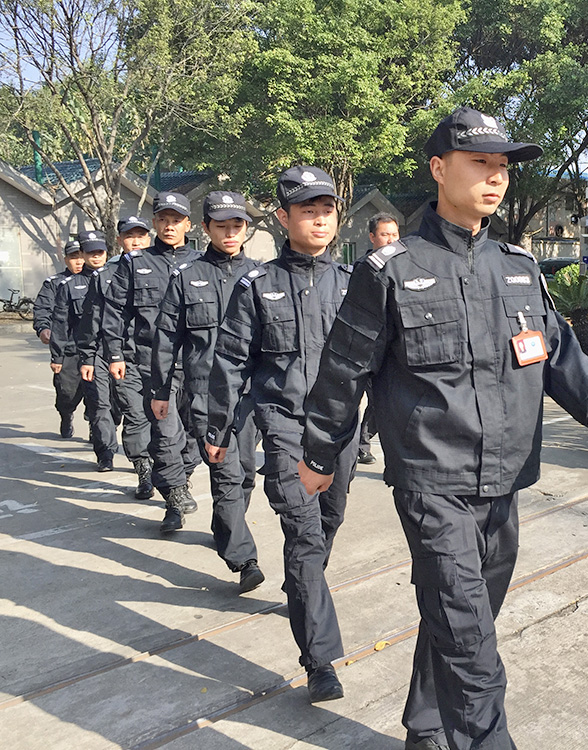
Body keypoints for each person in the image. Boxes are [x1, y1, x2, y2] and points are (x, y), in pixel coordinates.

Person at [298, 107, 588, 750]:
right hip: (432, 480)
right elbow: (344, 367)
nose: (495, 178)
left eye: (502, 167)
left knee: (463, 615)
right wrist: (319, 452)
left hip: (504, 480)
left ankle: (427, 726)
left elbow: (559, 355)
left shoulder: (517, 267)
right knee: (470, 640)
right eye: (480, 163)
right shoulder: (390, 270)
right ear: (439, 168)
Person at [205, 166, 358, 702]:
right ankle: (320, 661)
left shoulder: (355, 284)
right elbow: (229, 361)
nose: (319, 220)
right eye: (307, 211)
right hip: (284, 426)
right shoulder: (258, 286)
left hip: (340, 430)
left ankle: (302, 585)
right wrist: (218, 428)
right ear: (283, 218)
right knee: (304, 532)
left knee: (330, 520)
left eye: (327, 210)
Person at [150, 191, 264, 591]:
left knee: (245, 474)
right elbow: (166, 337)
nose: (230, 233)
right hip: (205, 394)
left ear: (246, 229)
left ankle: (225, 528)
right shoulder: (187, 277)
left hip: (249, 393)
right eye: (222, 226)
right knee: (226, 473)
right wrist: (160, 389)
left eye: (237, 225)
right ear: (205, 229)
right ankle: (244, 559)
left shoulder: (261, 276)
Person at [101, 192, 202, 527]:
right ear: (155, 223)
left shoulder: (202, 263)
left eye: (176, 220)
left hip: (198, 363)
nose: (169, 226)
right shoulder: (135, 263)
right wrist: (115, 354)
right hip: (153, 364)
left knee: (196, 433)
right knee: (166, 432)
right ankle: (174, 496)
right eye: (163, 220)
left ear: (188, 224)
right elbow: (115, 312)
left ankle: (181, 480)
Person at [77, 216, 154, 497]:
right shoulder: (105, 275)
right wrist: (88, 357)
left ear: (148, 238)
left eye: (141, 235)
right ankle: (143, 469)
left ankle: (172, 468)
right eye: (129, 236)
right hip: (123, 356)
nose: (136, 241)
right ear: (120, 240)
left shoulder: (165, 268)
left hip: (161, 356)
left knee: (168, 416)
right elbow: (93, 319)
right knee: (135, 413)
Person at [51, 231, 118, 470]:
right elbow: (60, 322)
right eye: (90, 253)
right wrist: (57, 355)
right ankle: (105, 453)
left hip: (119, 352)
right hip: (88, 353)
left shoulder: (120, 278)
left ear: (106, 253)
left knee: (119, 406)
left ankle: (134, 452)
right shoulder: (70, 286)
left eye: (100, 252)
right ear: (83, 254)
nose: (96, 257)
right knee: (98, 404)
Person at [356, 212, 400, 465]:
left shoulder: (404, 265)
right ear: (372, 237)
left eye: (395, 234)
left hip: (394, 347)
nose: (391, 240)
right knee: (374, 399)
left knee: (385, 400)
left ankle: (363, 442)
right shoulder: (364, 268)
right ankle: (359, 445)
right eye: (385, 235)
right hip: (366, 345)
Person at [33, 240, 85, 438]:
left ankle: (96, 426)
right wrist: (43, 329)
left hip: (96, 348)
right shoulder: (55, 283)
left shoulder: (100, 279)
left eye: (81, 256)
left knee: (100, 395)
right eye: (74, 257)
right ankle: (66, 414)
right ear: (65, 260)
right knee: (67, 392)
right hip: (67, 348)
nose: (79, 261)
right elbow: (42, 308)